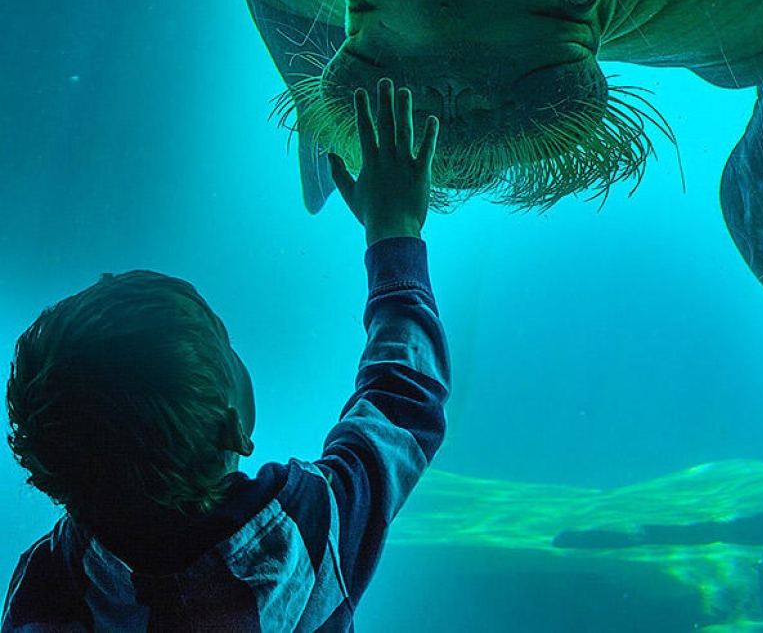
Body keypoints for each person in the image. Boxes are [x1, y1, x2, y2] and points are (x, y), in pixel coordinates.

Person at [3, 79, 447, 631]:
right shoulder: (298, 540)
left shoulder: (49, 582)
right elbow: (405, 396)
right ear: (234, 428)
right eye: (228, 348)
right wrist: (395, 229)